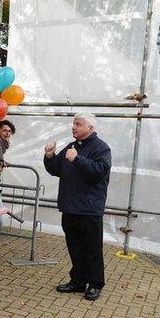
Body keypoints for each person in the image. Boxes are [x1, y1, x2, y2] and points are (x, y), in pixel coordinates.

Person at [44, 112, 111, 302]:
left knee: (92, 248)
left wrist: (77, 159)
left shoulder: (101, 148)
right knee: (74, 247)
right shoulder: (71, 146)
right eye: (73, 124)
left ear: (90, 128)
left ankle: (95, 284)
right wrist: (49, 156)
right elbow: (56, 169)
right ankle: (78, 281)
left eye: (78, 124)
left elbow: (98, 173)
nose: (73, 127)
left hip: (89, 209)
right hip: (70, 206)